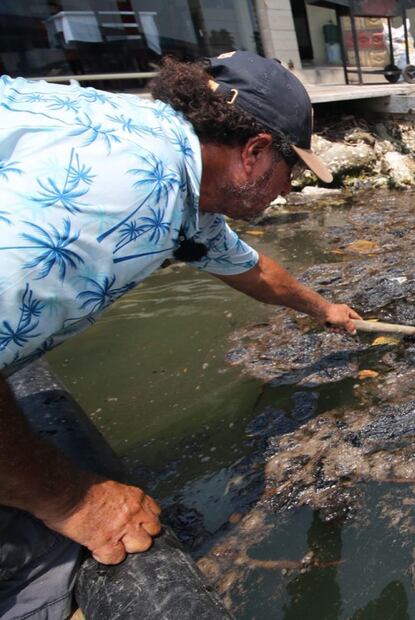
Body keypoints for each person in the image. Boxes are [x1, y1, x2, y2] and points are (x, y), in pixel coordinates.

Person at [0, 51, 361, 619]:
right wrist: (68, 498)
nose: (289, 193)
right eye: (291, 173)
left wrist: (325, 310)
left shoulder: (172, 163)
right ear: (255, 152)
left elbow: (254, 271)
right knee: (41, 577)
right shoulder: (127, 195)